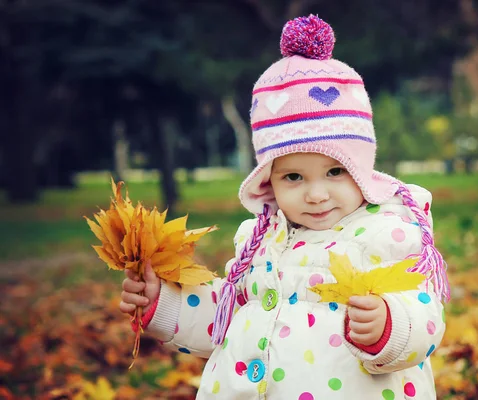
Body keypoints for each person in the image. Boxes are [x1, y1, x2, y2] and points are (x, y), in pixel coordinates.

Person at [119, 14, 450, 399]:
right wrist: (164, 303)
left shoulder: (386, 233)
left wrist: (390, 325)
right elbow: (226, 318)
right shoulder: (260, 241)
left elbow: (425, 313)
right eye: (293, 177)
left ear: (362, 168)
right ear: (269, 180)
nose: (315, 194)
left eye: (334, 172)